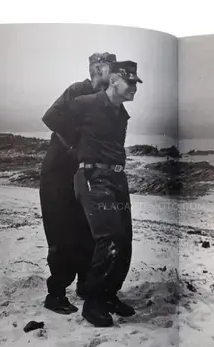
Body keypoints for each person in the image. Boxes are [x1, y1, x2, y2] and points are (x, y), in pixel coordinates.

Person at [61, 60, 142, 327]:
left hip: (117, 179)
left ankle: (108, 295)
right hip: (94, 178)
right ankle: (92, 303)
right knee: (109, 239)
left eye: (135, 84)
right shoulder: (87, 102)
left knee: (125, 240)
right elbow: (54, 118)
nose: (134, 89)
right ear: (115, 79)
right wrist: (78, 151)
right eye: (130, 82)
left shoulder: (121, 114)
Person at [39, 52, 117, 315]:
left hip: (81, 175)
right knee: (60, 233)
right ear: (95, 68)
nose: (106, 73)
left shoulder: (105, 99)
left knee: (86, 231)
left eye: (109, 68)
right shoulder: (77, 90)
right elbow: (50, 116)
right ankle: (56, 295)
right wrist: (74, 143)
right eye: (102, 67)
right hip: (57, 175)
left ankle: (85, 285)